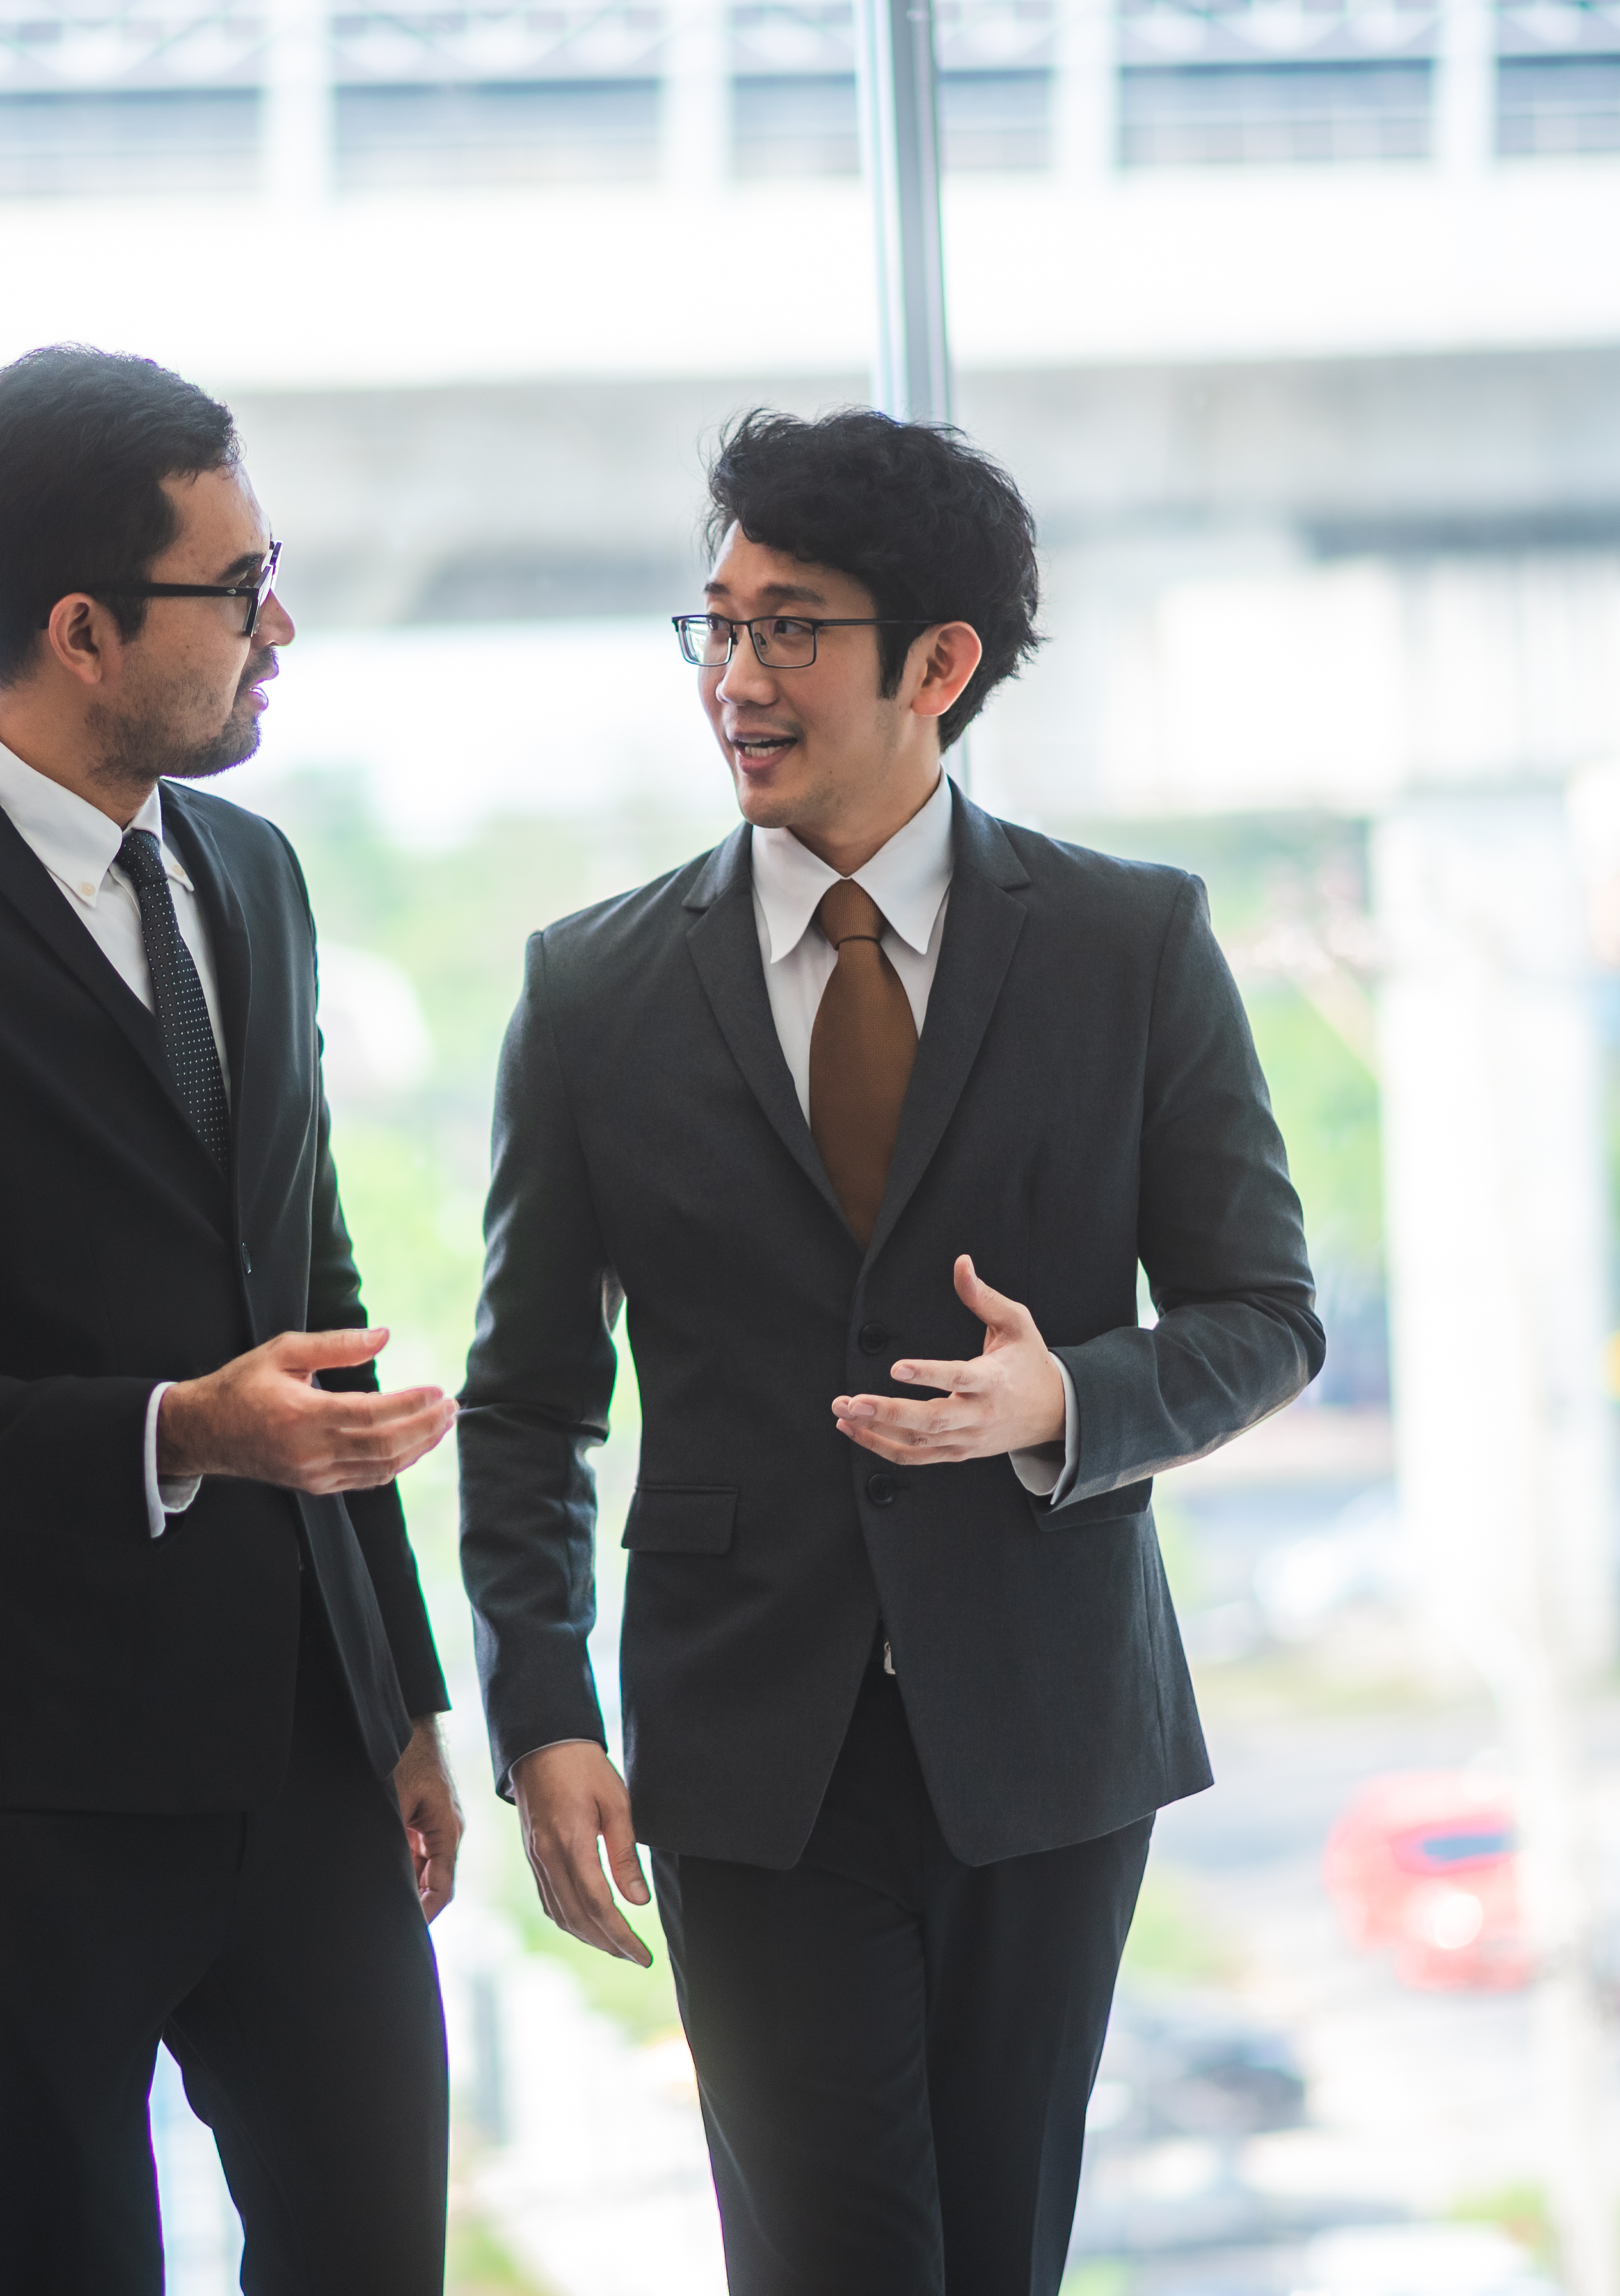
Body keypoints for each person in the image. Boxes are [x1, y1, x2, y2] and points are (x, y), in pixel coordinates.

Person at [458, 408, 1323, 2292]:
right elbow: (527, 1403)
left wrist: (1066, 1400)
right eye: (716, 627)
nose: (735, 681)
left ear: (937, 666)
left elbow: (1268, 1317)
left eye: (790, 631)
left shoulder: (1131, 945)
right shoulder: (591, 992)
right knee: (831, 2258)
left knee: (998, 2251)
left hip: (1045, 1732)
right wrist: (540, 1711)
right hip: (747, 1748)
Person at [0, 345, 462, 2291]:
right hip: (15, 1791)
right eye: (238, 589)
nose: (276, 627)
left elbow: (316, 1302)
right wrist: (181, 1431)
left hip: (306, 1758)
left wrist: (404, 1695)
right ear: (79, 628)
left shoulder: (261, 874)